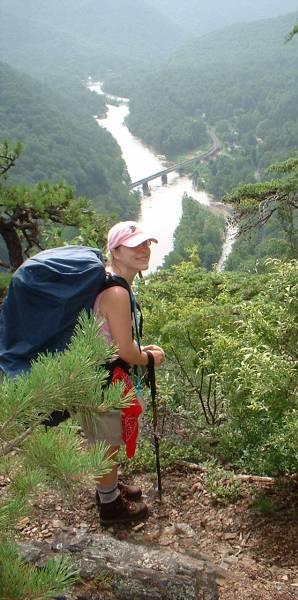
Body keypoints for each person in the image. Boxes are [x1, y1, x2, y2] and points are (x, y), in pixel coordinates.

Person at [82, 221, 165, 526]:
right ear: (115, 251)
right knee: (106, 441)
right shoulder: (116, 291)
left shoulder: (111, 281)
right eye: (135, 245)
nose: (144, 250)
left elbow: (117, 341)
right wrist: (150, 358)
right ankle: (110, 507)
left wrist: (138, 351)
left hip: (101, 373)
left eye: (147, 244)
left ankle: (110, 487)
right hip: (103, 379)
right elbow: (127, 352)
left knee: (109, 437)